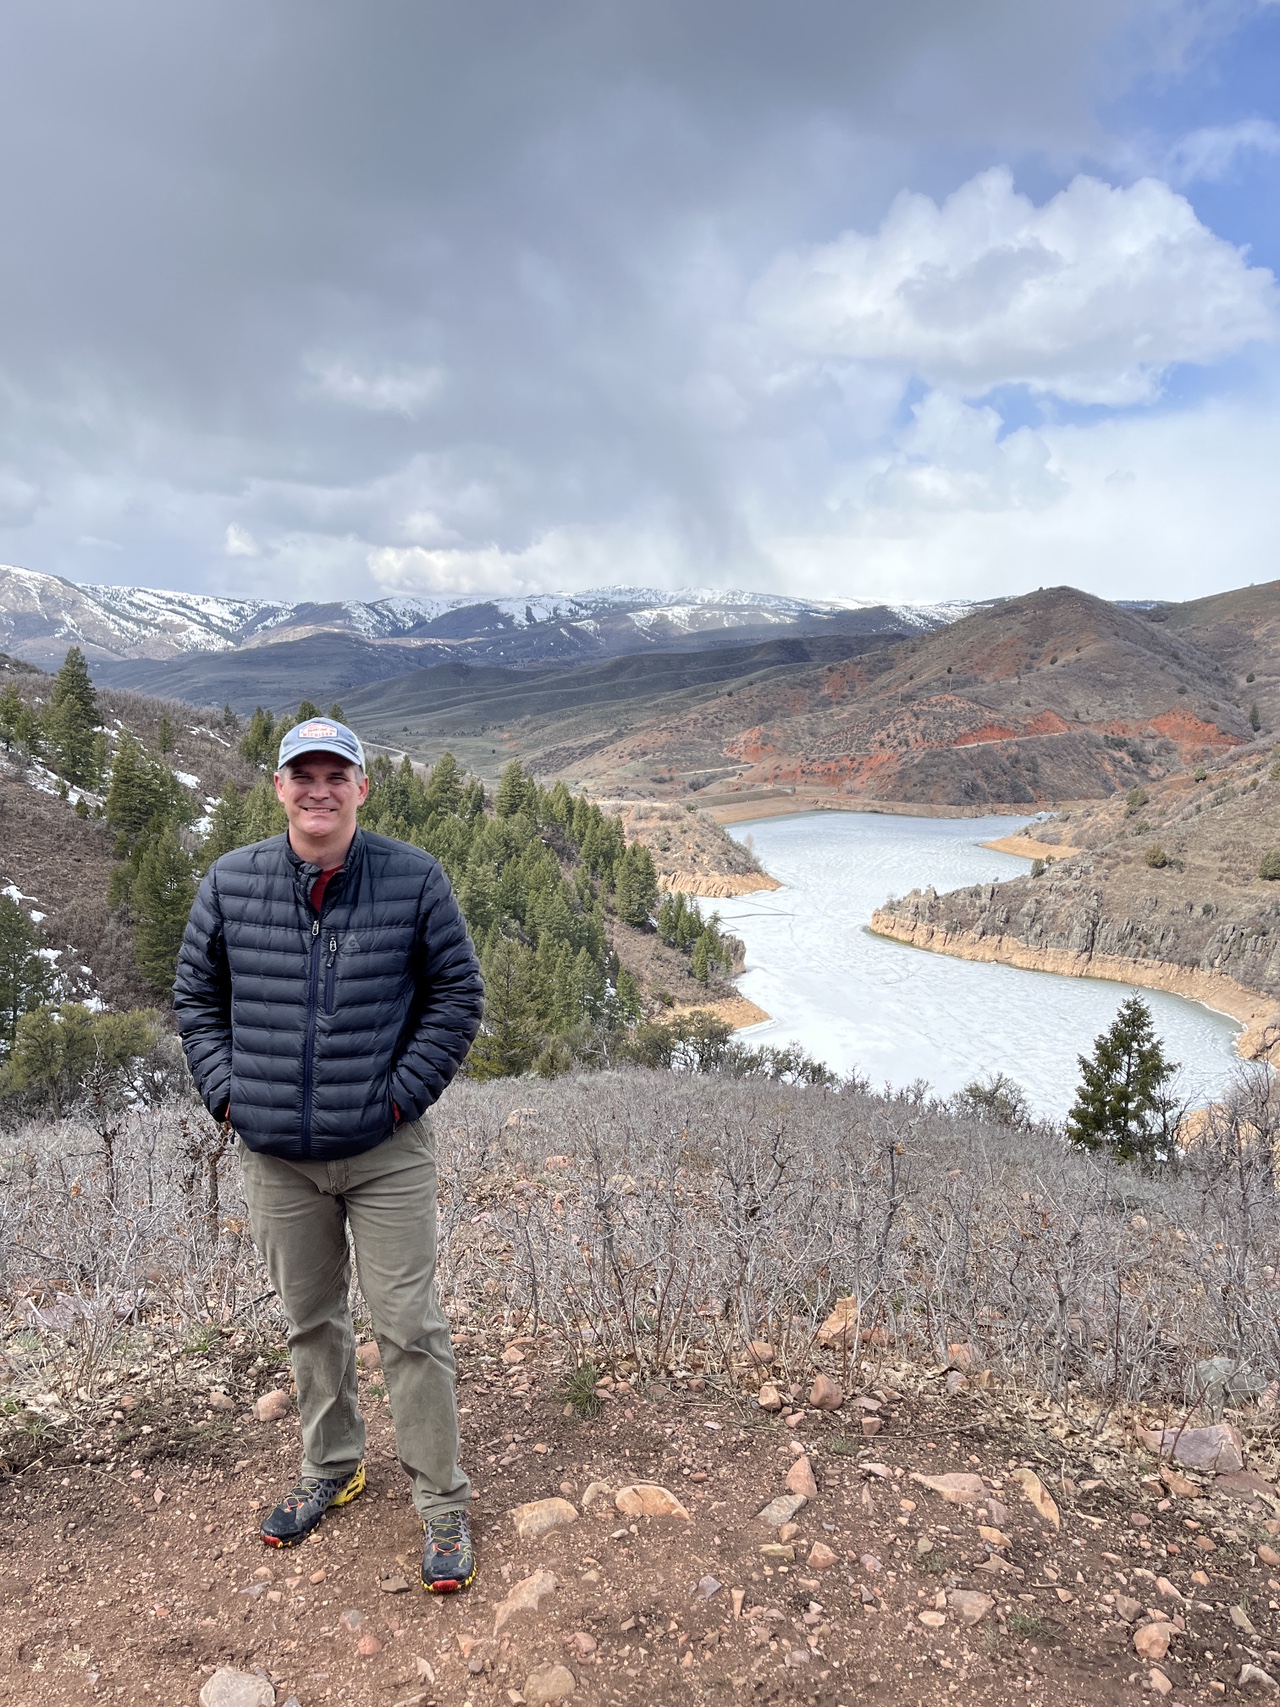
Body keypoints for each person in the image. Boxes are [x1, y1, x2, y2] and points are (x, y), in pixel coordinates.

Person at [173, 717, 485, 1592]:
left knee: (409, 1328)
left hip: (385, 1149)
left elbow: (458, 996)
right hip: (278, 1157)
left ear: (361, 788)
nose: (318, 788)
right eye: (300, 773)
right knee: (312, 1322)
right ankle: (333, 1467)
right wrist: (231, 1095)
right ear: (278, 787)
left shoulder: (414, 879)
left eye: (334, 773)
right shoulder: (231, 883)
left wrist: (397, 1095)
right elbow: (195, 997)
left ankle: (442, 1508)